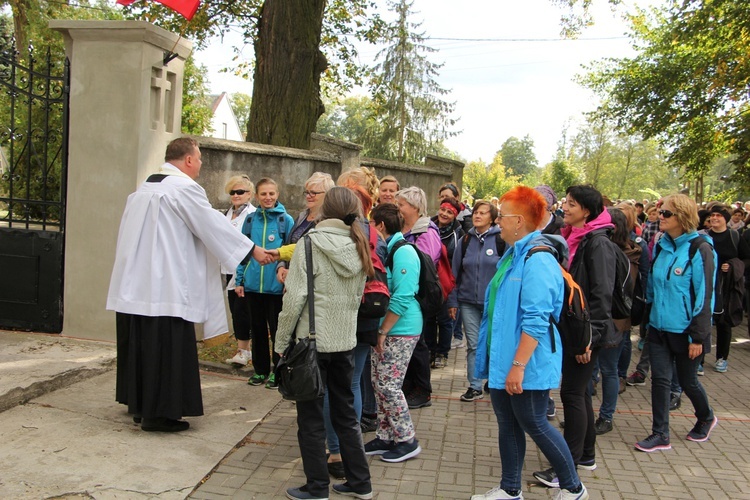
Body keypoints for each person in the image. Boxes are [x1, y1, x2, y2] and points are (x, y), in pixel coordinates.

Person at [107, 137, 273, 432]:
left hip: (136, 284)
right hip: (166, 286)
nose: (200, 166)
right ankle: (159, 416)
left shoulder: (145, 187)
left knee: (143, 347)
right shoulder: (183, 189)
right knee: (164, 349)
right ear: (188, 160)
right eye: (199, 160)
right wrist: (253, 251)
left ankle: (140, 406)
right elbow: (211, 224)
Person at [471, 186, 588, 500]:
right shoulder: (514, 255)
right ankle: (511, 490)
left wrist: (518, 366)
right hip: (504, 359)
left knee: (535, 422)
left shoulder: (538, 259)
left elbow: (536, 320)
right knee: (508, 423)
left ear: (519, 222)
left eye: (503, 217)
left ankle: (573, 488)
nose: (498, 224)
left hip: (525, 362)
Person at [275, 187, 374, 500]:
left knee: (311, 419)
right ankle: (361, 483)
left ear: (324, 209)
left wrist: (280, 343)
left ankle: (317, 487)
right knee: (346, 416)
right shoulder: (360, 244)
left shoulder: (309, 243)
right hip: (345, 342)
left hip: (311, 344)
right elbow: (358, 297)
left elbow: (294, 299)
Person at [534, 185, 619, 488]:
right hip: (576, 328)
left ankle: (565, 468)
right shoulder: (575, 237)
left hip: (587, 332)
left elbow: (601, 296)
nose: (565, 208)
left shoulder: (597, 243)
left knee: (571, 393)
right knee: (580, 393)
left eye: (571, 204)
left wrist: (588, 339)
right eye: (566, 203)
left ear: (586, 211)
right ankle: (585, 455)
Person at [634, 194, 719, 452]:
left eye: (666, 213)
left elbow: (705, 296)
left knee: (688, 381)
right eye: (661, 212)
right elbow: (653, 286)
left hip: (686, 331)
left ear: (682, 216)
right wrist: (646, 321)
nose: (661, 217)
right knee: (660, 380)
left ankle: (706, 416)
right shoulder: (661, 244)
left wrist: (699, 336)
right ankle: (660, 434)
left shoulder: (700, 248)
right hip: (659, 328)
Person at [321, 167, 385, 479]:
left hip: (341, 315)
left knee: (332, 387)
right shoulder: (374, 229)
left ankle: (335, 452)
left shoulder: (339, 226)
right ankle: (351, 448)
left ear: (348, 186)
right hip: (369, 315)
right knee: (354, 382)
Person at [364, 202, 423, 463]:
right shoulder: (389, 249)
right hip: (389, 329)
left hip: (401, 329)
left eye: (370, 224)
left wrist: (383, 330)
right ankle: (386, 435)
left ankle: (406, 439)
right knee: (379, 383)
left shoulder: (404, 252)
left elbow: (404, 295)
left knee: (389, 385)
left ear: (380, 226)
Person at [236, 178, 295, 388]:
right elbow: (242, 251)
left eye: (271, 194)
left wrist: (286, 277)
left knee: (278, 331)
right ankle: (260, 370)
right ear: (257, 196)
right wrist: (239, 279)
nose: (268, 198)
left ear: (277, 195)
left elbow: (289, 251)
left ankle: (277, 371)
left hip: (276, 288)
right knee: (257, 329)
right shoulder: (250, 220)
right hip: (253, 286)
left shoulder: (285, 220)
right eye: (263, 194)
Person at [446, 200, 501, 402]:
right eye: (476, 212)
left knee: (493, 343)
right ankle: (474, 385)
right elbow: (455, 273)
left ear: (492, 218)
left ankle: (494, 381)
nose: (477, 216)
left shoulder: (501, 240)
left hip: (494, 303)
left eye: (483, 213)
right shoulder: (466, 240)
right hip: (468, 301)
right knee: (474, 344)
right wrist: (453, 301)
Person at [396, 186, 442, 409]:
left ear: (414, 207)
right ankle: (409, 385)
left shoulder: (426, 232)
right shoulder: (406, 229)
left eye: (401, 204)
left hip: (420, 295)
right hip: (407, 293)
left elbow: (425, 261)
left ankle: (423, 391)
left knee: (419, 344)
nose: (398, 208)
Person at [706, 203, 750, 373]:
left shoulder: (735, 237)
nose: (715, 218)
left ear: (726, 218)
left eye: (719, 216)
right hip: (708, 284)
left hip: (727, 286)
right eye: (712, 216)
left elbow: (746, 259)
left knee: (724, 322)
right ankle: (700, 359)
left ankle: (722, 358)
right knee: (705, 320)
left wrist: (732, 266)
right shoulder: (704, 237)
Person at [275, 172, 335, 285]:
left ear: (327, 194)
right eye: (307, 192)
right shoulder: (302, 217)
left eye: (314, 193)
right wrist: (281, 267)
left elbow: (318, 258)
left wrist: (293, 273)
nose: (308, 196)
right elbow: (288, 244)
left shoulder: (328, 222)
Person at [223, 175, 256, 367]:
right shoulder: (227, 213)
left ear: (249, 194)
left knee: (241, 311)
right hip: (227, 266)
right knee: (234, 309)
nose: (236, 195)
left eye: (240, 192)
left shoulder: (251, 215)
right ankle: (243, 350)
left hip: (243, 268)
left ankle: (245, 351)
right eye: (233, 192)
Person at [428, 196, 465, 369]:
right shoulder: (428, 226)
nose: (444, 214)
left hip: (446, 281)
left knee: (444, 319)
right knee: (428, 318)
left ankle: (442, 352)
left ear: (455, 215)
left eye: (449, 212)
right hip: (428, 279)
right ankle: (430, 350)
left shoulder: (458, 234)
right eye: (443, 209)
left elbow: (458, 262)